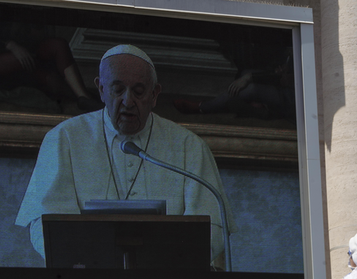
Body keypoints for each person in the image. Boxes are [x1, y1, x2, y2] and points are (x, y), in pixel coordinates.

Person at [14, 44, 235, 265]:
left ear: (154, 94)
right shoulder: (63, 139)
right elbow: (44, 223)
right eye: (117, 90)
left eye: (138, 92)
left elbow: (213, 226)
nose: (128, 101)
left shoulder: (189, 146)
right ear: (100, 89)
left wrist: (167, 265)